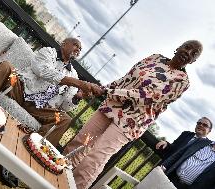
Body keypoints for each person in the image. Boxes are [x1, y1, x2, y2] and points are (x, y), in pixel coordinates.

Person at [63, 40, 203, 189]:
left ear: (193, 61)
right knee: (81, 141)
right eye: (187, 47)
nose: (188, 52)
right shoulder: (155, 57)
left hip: (131, 121)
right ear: (179, 47)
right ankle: (55, 176)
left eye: (193, 54)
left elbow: (147, 96)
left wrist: (107, 92)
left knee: (95, 157)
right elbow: (126, 79)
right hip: (111, 105)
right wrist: (101, 88)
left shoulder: (182, 81)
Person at [0, 37, 103, 147]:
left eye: (80, 49)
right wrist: (77, 82)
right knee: (7, 67)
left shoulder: (73, 73)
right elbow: (41, 71)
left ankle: (29, 153)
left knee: (65, 118)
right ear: (63, 44)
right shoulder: (48, 52)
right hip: (19, 87)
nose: (78, 49)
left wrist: (79, 96)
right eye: (76, 45)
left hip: (38, 107)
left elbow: (64, 105)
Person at [161, 119, 214, 189]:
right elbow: (177, 151)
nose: (201, 125)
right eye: (199, 123)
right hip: (170, 173)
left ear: (209, 131)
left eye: (205, 125)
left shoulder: (204, 141)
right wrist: (166, 144)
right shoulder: (188, 135)